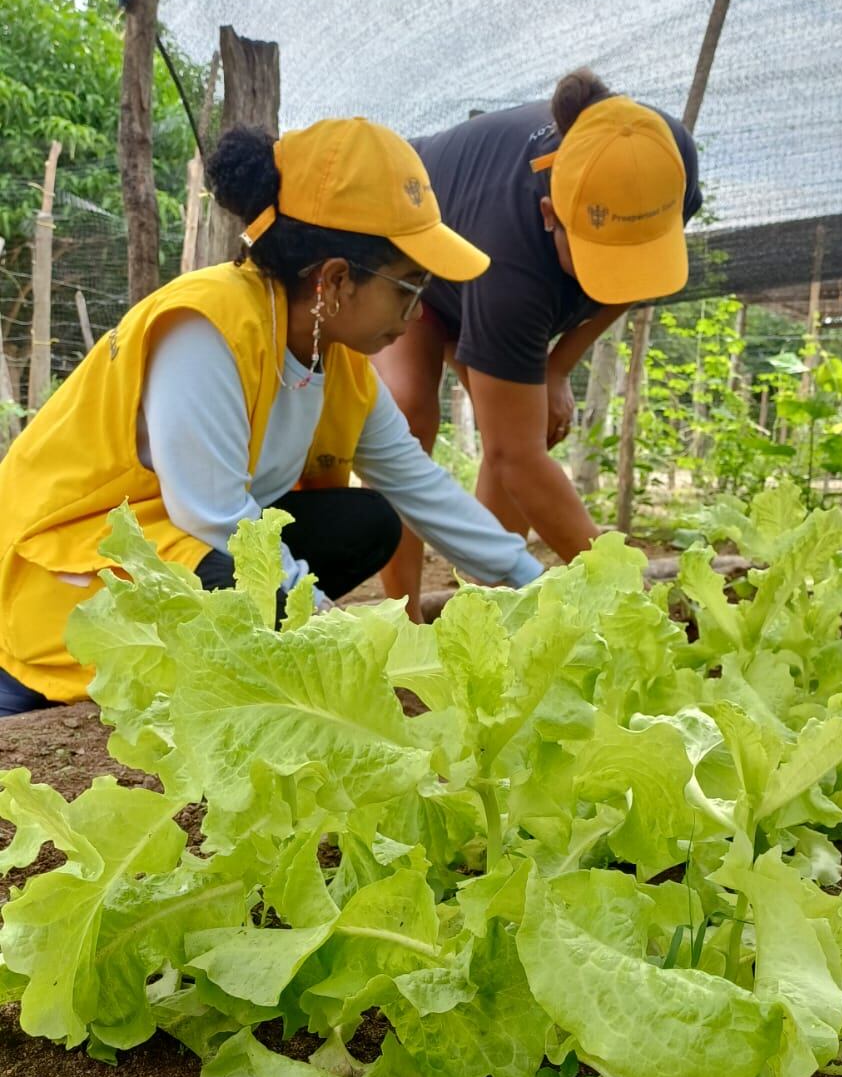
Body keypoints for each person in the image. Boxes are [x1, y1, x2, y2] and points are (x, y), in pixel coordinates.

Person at [0, 117, 544, 716]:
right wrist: (338, 639)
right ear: (335, 280)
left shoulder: (341, 365)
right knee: (238, 575)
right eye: (410, 289)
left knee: (368, 522)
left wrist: (535, 583)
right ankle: (47, 684)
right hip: (68, 573)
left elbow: (421, 487)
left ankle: (239, 659)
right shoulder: (207, 326)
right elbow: (214, 516)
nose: (418, 315)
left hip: (180, 555)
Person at [375, 68, 703, 618]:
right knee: (411, 416)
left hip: (488, 255)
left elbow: (637, 279)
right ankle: (401, 622)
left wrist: (557, 369)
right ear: (552, 215)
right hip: (416, 241)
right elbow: (514, 459)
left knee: (529, 427)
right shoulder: (512, 263)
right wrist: (629, 597)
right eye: (601, 258)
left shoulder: (663, 161)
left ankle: (488, 607)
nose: (617, 276)